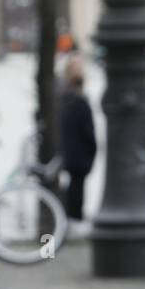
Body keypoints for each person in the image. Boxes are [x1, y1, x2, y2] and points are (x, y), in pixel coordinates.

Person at [56, 52, 96, 237]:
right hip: (77, 149)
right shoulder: (76, 99)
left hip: (73, 149)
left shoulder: (67, 96)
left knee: (75, 185)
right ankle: (74, 218)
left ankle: (72, 217)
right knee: (76, 186)